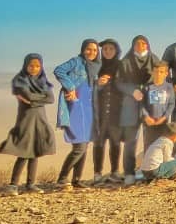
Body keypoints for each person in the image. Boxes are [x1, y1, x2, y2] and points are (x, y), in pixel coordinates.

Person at [0, 54, 55, 195]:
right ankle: (13, 185)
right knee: (24, 151)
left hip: (40, 118)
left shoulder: (43, 80)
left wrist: (33, 101)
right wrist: (40, 97)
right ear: (26, 65)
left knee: (35, 152)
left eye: (37, 66)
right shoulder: (20, 80)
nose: (34, 68)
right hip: (26, 119)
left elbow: (51, 98)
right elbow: (27, 95)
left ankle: (31, 185)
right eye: (31, 66)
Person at [54, 39, 102, 189]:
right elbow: (58, 70)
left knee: (85, 145)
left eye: (95, 50)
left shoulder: (98, 66)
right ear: (83, 49)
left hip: (89, 110)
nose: (91, 52)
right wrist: (70, 87)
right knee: (79, 147)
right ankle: (62, 178)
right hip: (75, 107)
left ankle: (76, 180)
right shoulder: (76, 61)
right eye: (88, 49)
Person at [116, 35, 156, 186]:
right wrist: (132, 91)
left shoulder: (154, 59)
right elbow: (118, 83)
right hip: (130, 107)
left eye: (144, 43)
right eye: (138, 43)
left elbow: (162, 77)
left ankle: (149, 172)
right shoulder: (125, 62)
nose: (141, 46)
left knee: (151, 139)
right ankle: (129, 173)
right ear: (133, 46)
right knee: (130, 142)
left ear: (148, 45)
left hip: (150, 105)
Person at [92, 39, 122, 184]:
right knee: (99, 142)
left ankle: (115, 172)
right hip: (100, 112)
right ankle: (97, 173)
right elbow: (87, 85)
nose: (108, 51)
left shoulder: (121, 66)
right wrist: (97, 83)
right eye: (105, 49)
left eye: (111, 49)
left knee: (115, 142)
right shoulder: (96, 66)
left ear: (116, 51)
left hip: (117, 112)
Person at [142, 62, 175, 147]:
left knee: (162, 145)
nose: (158, 74)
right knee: (149, 146)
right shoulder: (147, 87)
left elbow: (171, 104)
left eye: (161, 72)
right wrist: (146, 117)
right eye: (156, 71)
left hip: (163, 123)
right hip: (149, 123)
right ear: (152, 72)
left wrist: (164, 117)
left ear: (166, 74)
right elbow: (142, 104)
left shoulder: (169, 87)